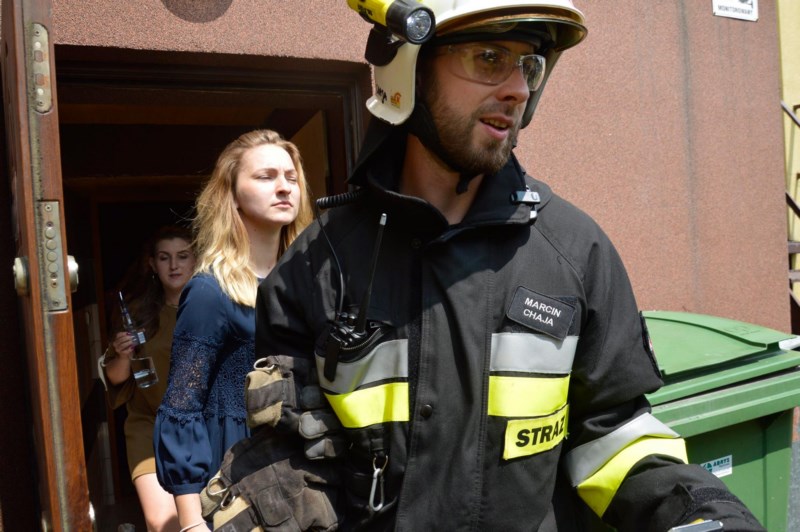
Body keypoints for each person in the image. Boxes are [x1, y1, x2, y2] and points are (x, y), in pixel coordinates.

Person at [255, 1, 765, 530]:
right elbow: (288, 458)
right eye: (489, 58)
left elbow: (612, 435)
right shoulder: (315, 267)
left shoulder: (575, 251)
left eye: (529, 65)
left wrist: (703, 513)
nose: (519, 89)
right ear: (409, 70)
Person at [154, 129, 313, 531]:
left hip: (306, 476)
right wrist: (191, 522)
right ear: (232, 195)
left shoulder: (313, 284)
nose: (284, 187)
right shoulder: (210, 291)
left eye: (291, 177)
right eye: (265, 177)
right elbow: (182, 406)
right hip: (237, 477)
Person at [101, 225, 196, 532]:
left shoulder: (211, 308)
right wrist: (122, 354)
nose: (174, 265)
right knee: (162, 522)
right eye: (164, 257)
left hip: (201, 426)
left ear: (195, 260)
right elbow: (116, 378)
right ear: (153, 264)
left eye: (182, 256)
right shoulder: (137, 312)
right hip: (149, 425)